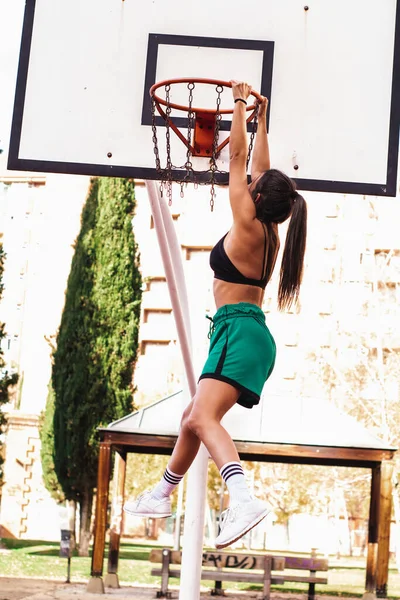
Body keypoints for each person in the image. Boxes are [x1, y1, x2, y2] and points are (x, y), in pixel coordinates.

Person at [124, 80, 307, 549]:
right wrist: (261, 120)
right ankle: (162, 493)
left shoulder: (248, 219)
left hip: (237, 332)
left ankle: (241, 497)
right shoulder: (267, 229)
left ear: (258, 198)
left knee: (203, 419)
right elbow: (260, 168)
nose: (245, 183)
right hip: (248, 335)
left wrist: (241, 102)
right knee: (192, 415)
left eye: (251, 187)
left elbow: (242, 162)